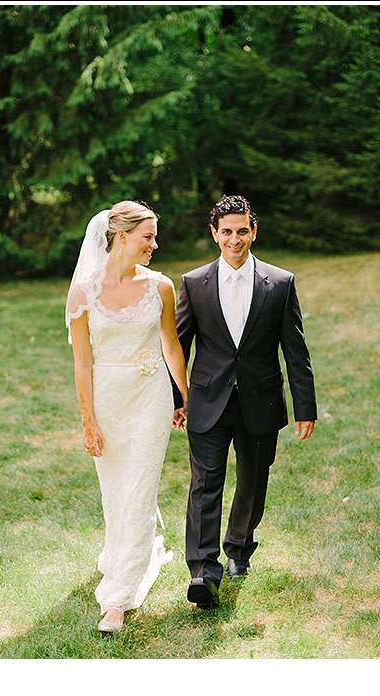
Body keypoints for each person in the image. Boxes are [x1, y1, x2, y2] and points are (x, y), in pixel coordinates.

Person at [173, 194, 317, 610]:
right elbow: (178, 346)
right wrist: (175, 399)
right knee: (205, 485)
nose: (234, 240)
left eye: (241, 231)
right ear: (214, 234)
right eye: (226, 232)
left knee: (253, 481)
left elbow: (296, 350)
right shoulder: (195, 283)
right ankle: (203, 571)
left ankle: (238, 548)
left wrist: (304, 407)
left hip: (260, 401)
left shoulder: (280, 282)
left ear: (254, 232)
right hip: (208, 401)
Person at [66, 200, 189, 634]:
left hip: (150, 398)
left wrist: (184, 396)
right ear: (121, 237)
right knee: (115, 490)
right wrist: (88, 421)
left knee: (139, 488)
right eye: (148, 236)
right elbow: (83, 363)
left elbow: (171, 345)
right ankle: (122, 554)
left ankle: (117, 597)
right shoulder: (83, 294)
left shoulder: (161, 288)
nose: (155, 244)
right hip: (108, 400)